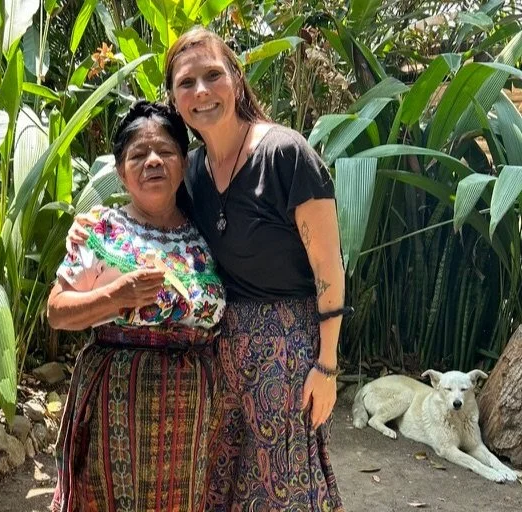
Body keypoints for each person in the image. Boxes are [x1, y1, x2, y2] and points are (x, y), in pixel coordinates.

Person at [68, 27, 346, 511]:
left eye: (213, 75)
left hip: (286, 348)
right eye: (186, 82)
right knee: (219, 487)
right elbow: (153, 216)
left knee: (282, 485)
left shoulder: (285, 155)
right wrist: (91, 226)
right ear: (174, 99)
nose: (201, 91)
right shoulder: (191, 170)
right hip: (218, 355)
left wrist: (327, 365)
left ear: (235, 79)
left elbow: (330, 270)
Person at [47, 100, 227, 512]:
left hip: (193, 410)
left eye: (165, 151)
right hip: (118, 405)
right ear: (120, 171)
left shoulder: (208, 231)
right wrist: (116, 297)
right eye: (138, 154)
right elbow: (57, 311)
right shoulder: (101, 230)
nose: (153, 162)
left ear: (184, 162)